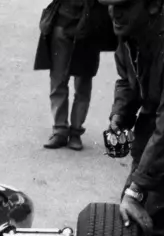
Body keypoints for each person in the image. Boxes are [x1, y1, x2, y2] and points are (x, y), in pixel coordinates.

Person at [101, 0, 164, 236]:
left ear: (153, 5)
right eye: (111, 4)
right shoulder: (129, 35)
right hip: (155, 127)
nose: (115, 13)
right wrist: (121, 113)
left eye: (125, 5)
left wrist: (138, 187)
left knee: (157, 223)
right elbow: (128, 81)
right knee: (136, 213)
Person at [34, 0, 115, 150]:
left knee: (83, 82)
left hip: (90, 26)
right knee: (58, 80)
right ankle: (59, 130)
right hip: (63, 23)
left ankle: (76, 132)